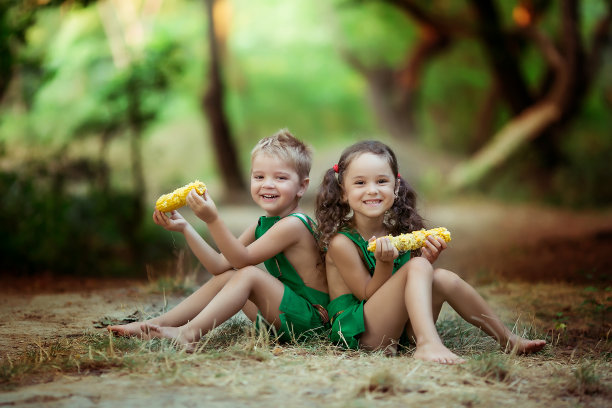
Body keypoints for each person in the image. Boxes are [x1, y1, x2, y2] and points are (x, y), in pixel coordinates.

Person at [315, 140, 546, 364]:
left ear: (396, 188)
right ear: (343, 192)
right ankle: (427, 343)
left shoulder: (397, 234)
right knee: (417, 266)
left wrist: (425, 261)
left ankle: (507, 339)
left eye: (382, 181)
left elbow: (406, 286)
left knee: (442, 277)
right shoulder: (341, 243)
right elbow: (367, 294)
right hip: (362, 334)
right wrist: (388, 264)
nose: (372, 190)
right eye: (360, 183)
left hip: (399, 331)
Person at [109, 129, 329, 350]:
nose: (267, 184)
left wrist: (213, 219)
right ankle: (155, 325)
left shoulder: (294, 224)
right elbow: (220, 266)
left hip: (312, 320)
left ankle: (189, 333)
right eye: (259, 177)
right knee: (229, 276)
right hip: (286, 315)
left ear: (302, 186)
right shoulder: (263, 224)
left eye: (280, 177)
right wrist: (186, 228)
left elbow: (243, 260)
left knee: (248, 274)